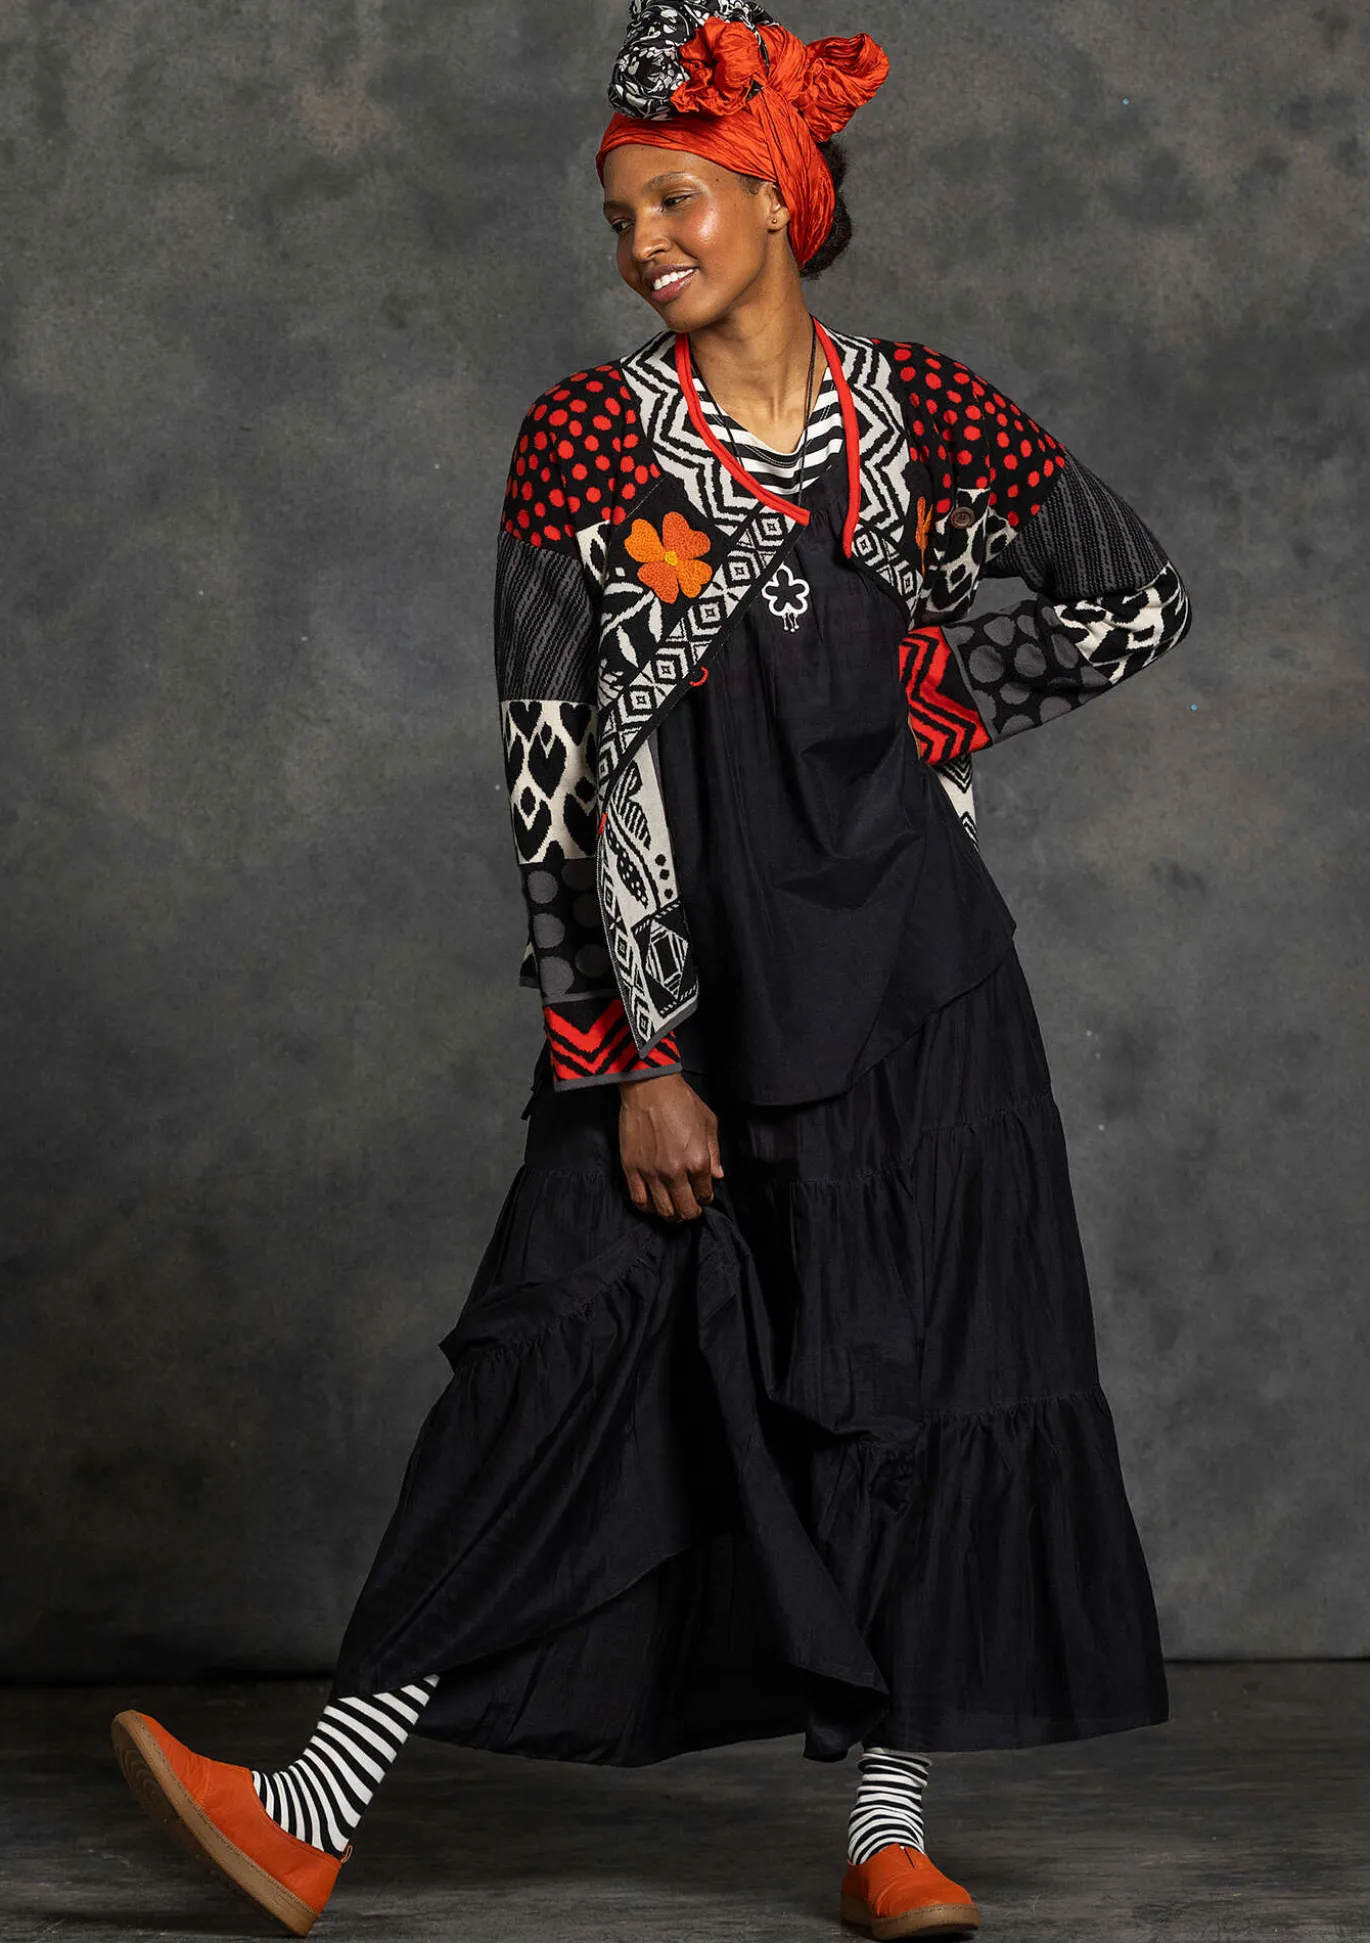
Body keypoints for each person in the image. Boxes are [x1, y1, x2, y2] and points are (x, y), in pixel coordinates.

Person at [110, 3, 1193, 1937]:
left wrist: (917, 698)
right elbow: (546, 777)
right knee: (551, 1353)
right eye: (618, 215)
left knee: (900, 1380)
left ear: (775, 196)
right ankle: (309, 1805)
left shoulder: (927, 415)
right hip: (682, 1004)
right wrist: (624, 1060)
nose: (641, 245)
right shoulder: (586, 443)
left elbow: (1132, 596)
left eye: (675, 199)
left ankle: (884, 1831)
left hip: (918, 990)